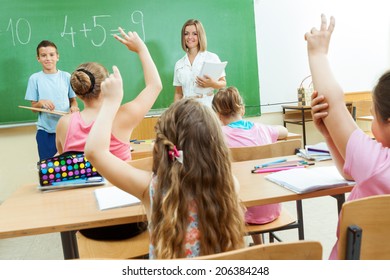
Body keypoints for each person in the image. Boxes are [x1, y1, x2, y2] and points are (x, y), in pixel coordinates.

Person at [84, 73, 245, 258]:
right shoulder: (229, 183)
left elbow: (95, 151)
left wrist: (111, 102)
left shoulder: (152, 188)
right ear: (216, 145)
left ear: (164, 143)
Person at [56, 28, 162, 240]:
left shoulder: (64, 124)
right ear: (107, 87)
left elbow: (63, 160)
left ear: (77, 92)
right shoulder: (123, 116)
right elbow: (155, 85)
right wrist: (141, 49)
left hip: (87, 224)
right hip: (130, 220)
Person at [306, 14, 390, 260]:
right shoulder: (373, 167)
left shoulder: (378, 164)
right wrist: (327, 134)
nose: (370, 125)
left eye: (373, 117)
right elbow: (350, 172)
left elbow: (332, 102)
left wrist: (317, 54)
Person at [212, 86, 288, 244]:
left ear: (218, 116)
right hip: (272, 208)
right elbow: (284, 132)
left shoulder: (218, 136)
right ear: (243, 109)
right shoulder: (262, 129)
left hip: (240, 213)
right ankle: (258, 244)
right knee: (253, 180)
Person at [25, 40, 79, 160]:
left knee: (69, 167)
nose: (48, 58)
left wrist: (74, 107)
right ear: (38, 58)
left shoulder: (66, 77)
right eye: (43, 55)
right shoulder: (34, 79)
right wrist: (41, 103)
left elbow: (73, 101)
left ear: (57, 56)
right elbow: (34, 108)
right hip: (45, 132)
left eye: (51, 54)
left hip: (67, 129)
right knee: (48, 168)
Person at [173, 19, 226, 108]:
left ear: (200, 35)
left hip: (207, 109)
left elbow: (223, 83)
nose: (190, 37)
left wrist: (212, 84)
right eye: (186, 34)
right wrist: (174, 113)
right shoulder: (179, 64)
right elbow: (178, 93)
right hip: (186, 110)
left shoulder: (212, 58)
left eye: (194, 33)